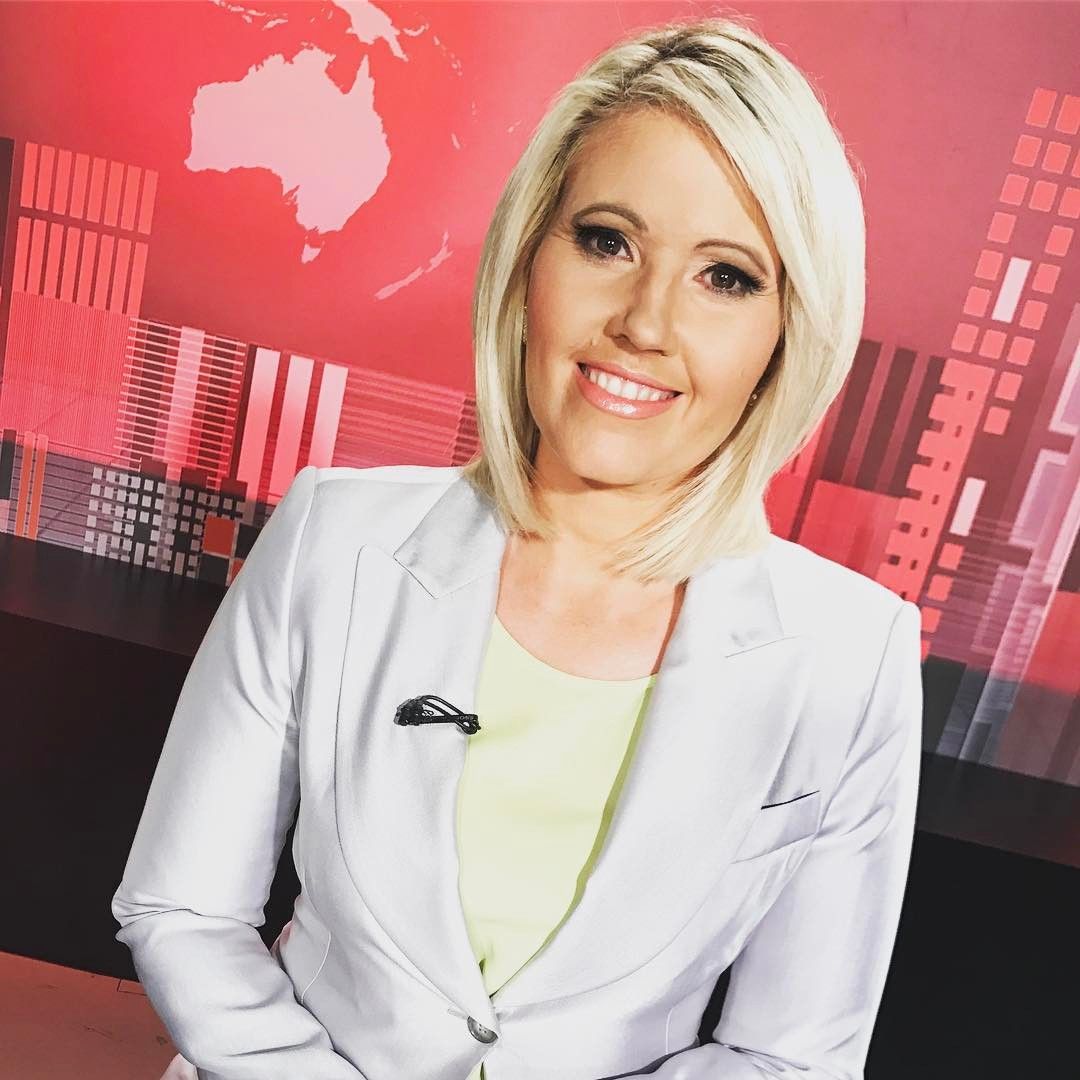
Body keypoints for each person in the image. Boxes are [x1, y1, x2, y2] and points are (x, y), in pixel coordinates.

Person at [113, 13, 924, 1080]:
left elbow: (791, 1058)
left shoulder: (854, 658)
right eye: (607, 241)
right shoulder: (330, 539)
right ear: (530, 256)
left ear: (789, 333)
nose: (644, 322)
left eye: (726, 277)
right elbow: (183, 910)